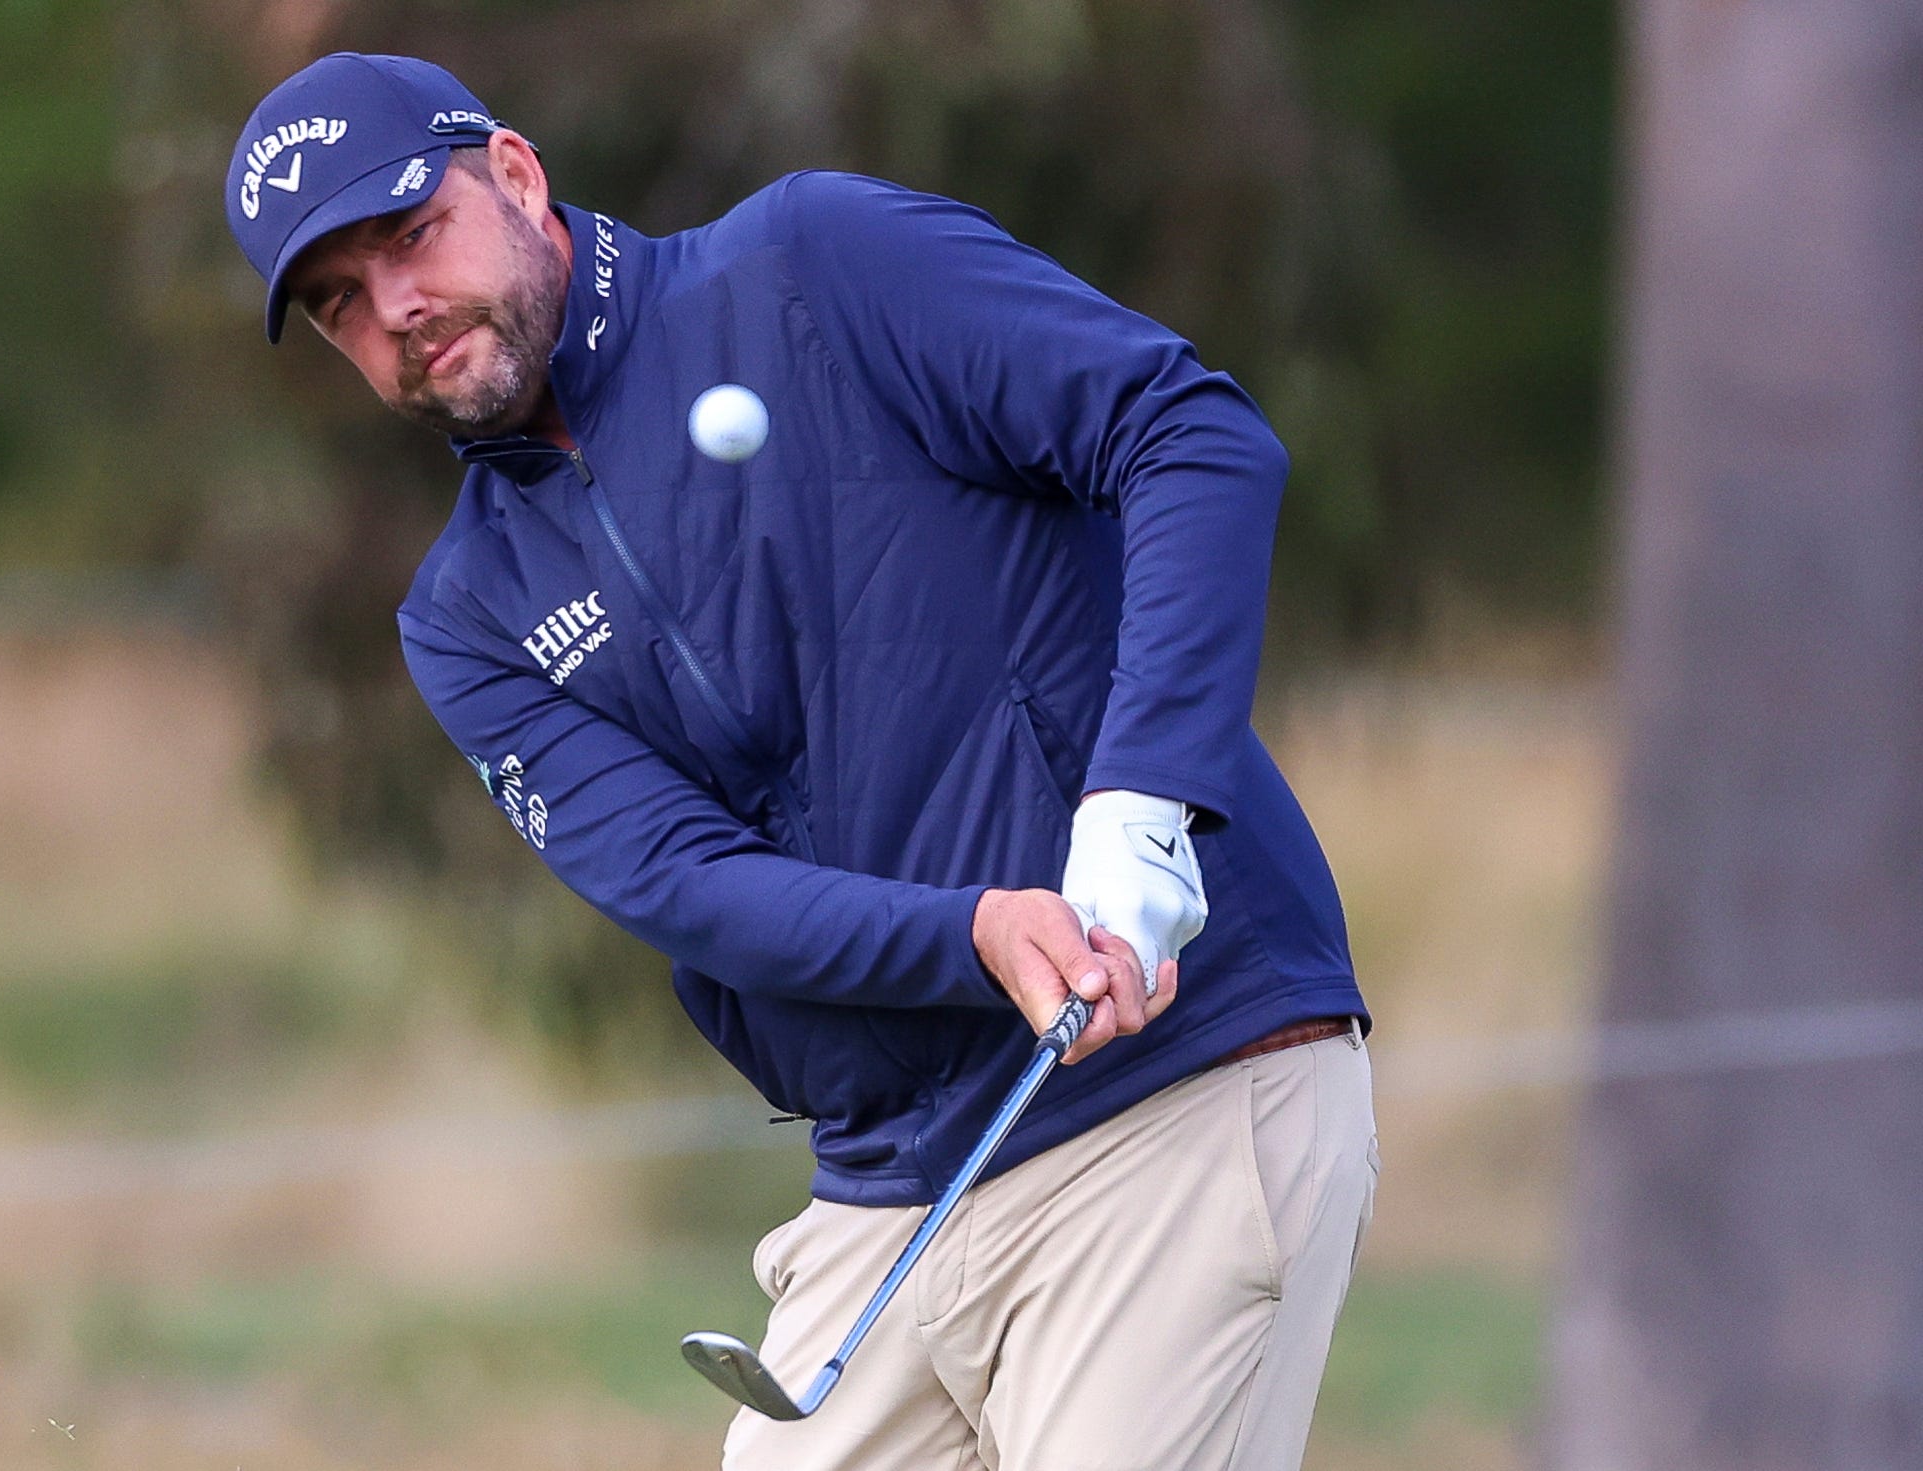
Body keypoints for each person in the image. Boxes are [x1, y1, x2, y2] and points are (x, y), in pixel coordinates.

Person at [226, 51, 1377, 1471]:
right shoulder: (469, 617)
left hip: (1173, 1087)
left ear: (515, 175)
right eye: (341, 299)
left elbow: (1187, 437)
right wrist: (972, 934)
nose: (397, 307)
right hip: (889, 1186)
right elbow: (690, 888)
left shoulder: (812, 266)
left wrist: (1142, 798)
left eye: (411, 233)